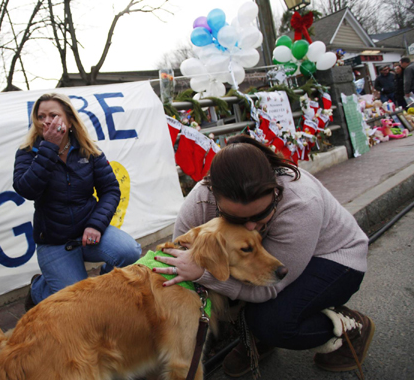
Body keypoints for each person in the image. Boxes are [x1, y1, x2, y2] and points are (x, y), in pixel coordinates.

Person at [153, 134, 373, 378]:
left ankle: (349, 326)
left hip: (333, 260)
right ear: (215, 195)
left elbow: (267, 289)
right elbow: (179, 261)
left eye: (262, 214)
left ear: (276, 192)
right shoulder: (199, 200)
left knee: (272, 323)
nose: (250, 227)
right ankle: (258, 335)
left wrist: (206, 275)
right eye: (236, 219)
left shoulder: (301, 203)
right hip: (281, 262)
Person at [13, 93, 141, 310]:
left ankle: (103, 285)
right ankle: (39, 289)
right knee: (78, 303)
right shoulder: (29, 151)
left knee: (130, 252)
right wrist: (49, 148)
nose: (46, 121)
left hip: (89, 232)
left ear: (69, 120)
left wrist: (96, 225)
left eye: (53, 115)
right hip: (54, 240)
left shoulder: (88, 150)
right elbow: (27, 190)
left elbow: (110, 190)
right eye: (41, 116)